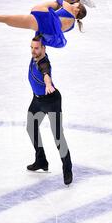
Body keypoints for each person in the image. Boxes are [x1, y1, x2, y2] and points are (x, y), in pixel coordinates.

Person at [26, 34, 73, 185]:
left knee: (58, 137)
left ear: (44, 48)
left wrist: (48, 84)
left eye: (37, 48)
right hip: (37, 100)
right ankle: (41, 160)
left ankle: (67, 169)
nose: (33, 51)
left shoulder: (43, 63)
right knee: (31, 127)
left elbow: (46, 74)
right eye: (32, 48)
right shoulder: (36, 54)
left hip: (51, 101)